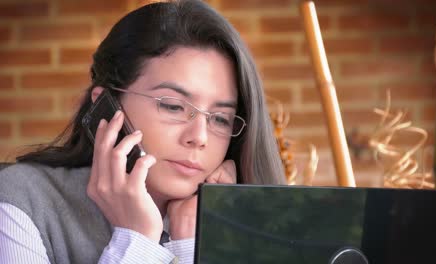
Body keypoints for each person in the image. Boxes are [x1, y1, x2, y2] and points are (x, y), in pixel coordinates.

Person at [0, 0, 286, 263]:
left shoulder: (253, 226)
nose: (199, 137)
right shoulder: (22, 199)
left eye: (221, 119)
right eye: (173, 106)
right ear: (105, 106)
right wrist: (136, 239)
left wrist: (190, 242)